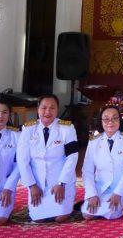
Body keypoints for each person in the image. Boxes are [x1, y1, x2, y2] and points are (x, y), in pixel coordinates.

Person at [16, 94, 78, 223]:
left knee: (60, 218)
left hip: (60, 182)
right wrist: (32, 185)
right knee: (38, 219)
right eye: (44, 108)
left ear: (57, 110)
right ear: (38, 109)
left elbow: (72, 158)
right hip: (38, 184)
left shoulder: (67, 128)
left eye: (52, 108)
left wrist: (61, 183)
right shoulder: (28, 129)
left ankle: (70, 203)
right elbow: (22, 160)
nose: (48, 112)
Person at [82, 106, 123, 220]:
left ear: (120, 120)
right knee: (87, 214)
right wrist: (92, 194)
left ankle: (117, 205)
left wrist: (118, 193)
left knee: (112, 213)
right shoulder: (94, 141)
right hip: (102, 187)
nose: (110, 122)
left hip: (122, 188)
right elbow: (87, 171)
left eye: (114, 118)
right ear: (101, 121)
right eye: (106, 119)